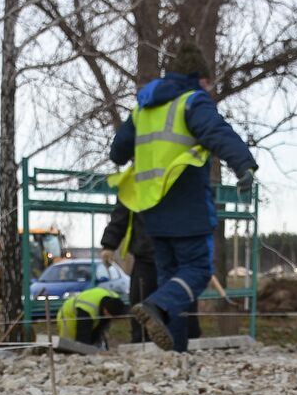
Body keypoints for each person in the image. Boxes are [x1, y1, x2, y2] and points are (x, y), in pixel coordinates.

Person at [110, 41, 257, 352]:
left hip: (152, 208)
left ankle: (175, 352)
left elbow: (118, 152)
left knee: (171, 277)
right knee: (198, 271)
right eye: (208, 83)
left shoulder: (143, 108)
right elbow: (217, 132)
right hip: (187, 204)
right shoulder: (192, 101)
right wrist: (243, 165)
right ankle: (156, 306)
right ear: (200, 78)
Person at [99, 202, 156, 343]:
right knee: (141, 306)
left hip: (176, 254)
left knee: (178, 304)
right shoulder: (135, 182)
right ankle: (141, 342)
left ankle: (184, 341)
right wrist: (109, 243)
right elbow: (124, 207)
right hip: (147, 255)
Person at [56, 286, 127, 347]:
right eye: (111, 317)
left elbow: (99, 327)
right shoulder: (87, 309)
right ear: (106, 311)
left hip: (90, 308)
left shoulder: (115, 300)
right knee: (69, 343)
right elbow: (82, 335)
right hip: (68, 314)